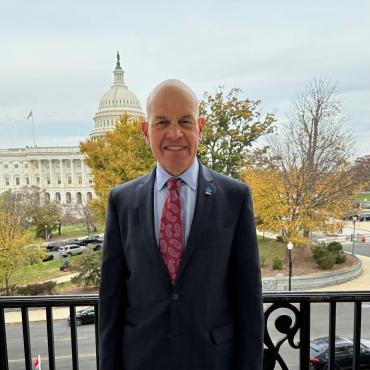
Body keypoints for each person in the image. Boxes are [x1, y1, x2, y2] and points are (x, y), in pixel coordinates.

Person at [98, 79, 264, 370]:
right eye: (161, 122)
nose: (174, 133)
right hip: (141, 360)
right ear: (145, 131)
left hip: (213, 361)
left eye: (185, 121)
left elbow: (249, 299)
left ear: (199, 127)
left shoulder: (235, 197)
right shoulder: (121, 201)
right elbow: (111, 300)